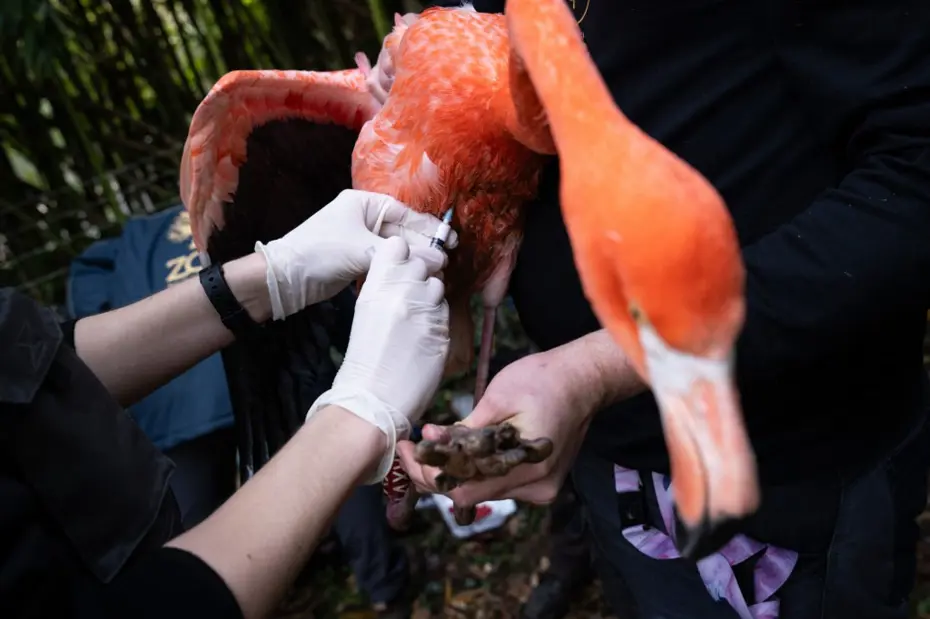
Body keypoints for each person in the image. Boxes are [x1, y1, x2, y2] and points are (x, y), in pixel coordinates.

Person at [401, 1, 930, 618]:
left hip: (782, 472)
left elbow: (913, 179)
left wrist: (600, 366)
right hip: (604, 451)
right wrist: (429, 92)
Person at [0, 189, 455, 619]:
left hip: (177, 403)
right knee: (335, 482)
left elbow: (35, 362)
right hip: (241, 379)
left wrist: (271, 276)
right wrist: (359, 413)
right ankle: (387, 591)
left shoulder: (132, 239)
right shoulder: (225, 210)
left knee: (194, 511)